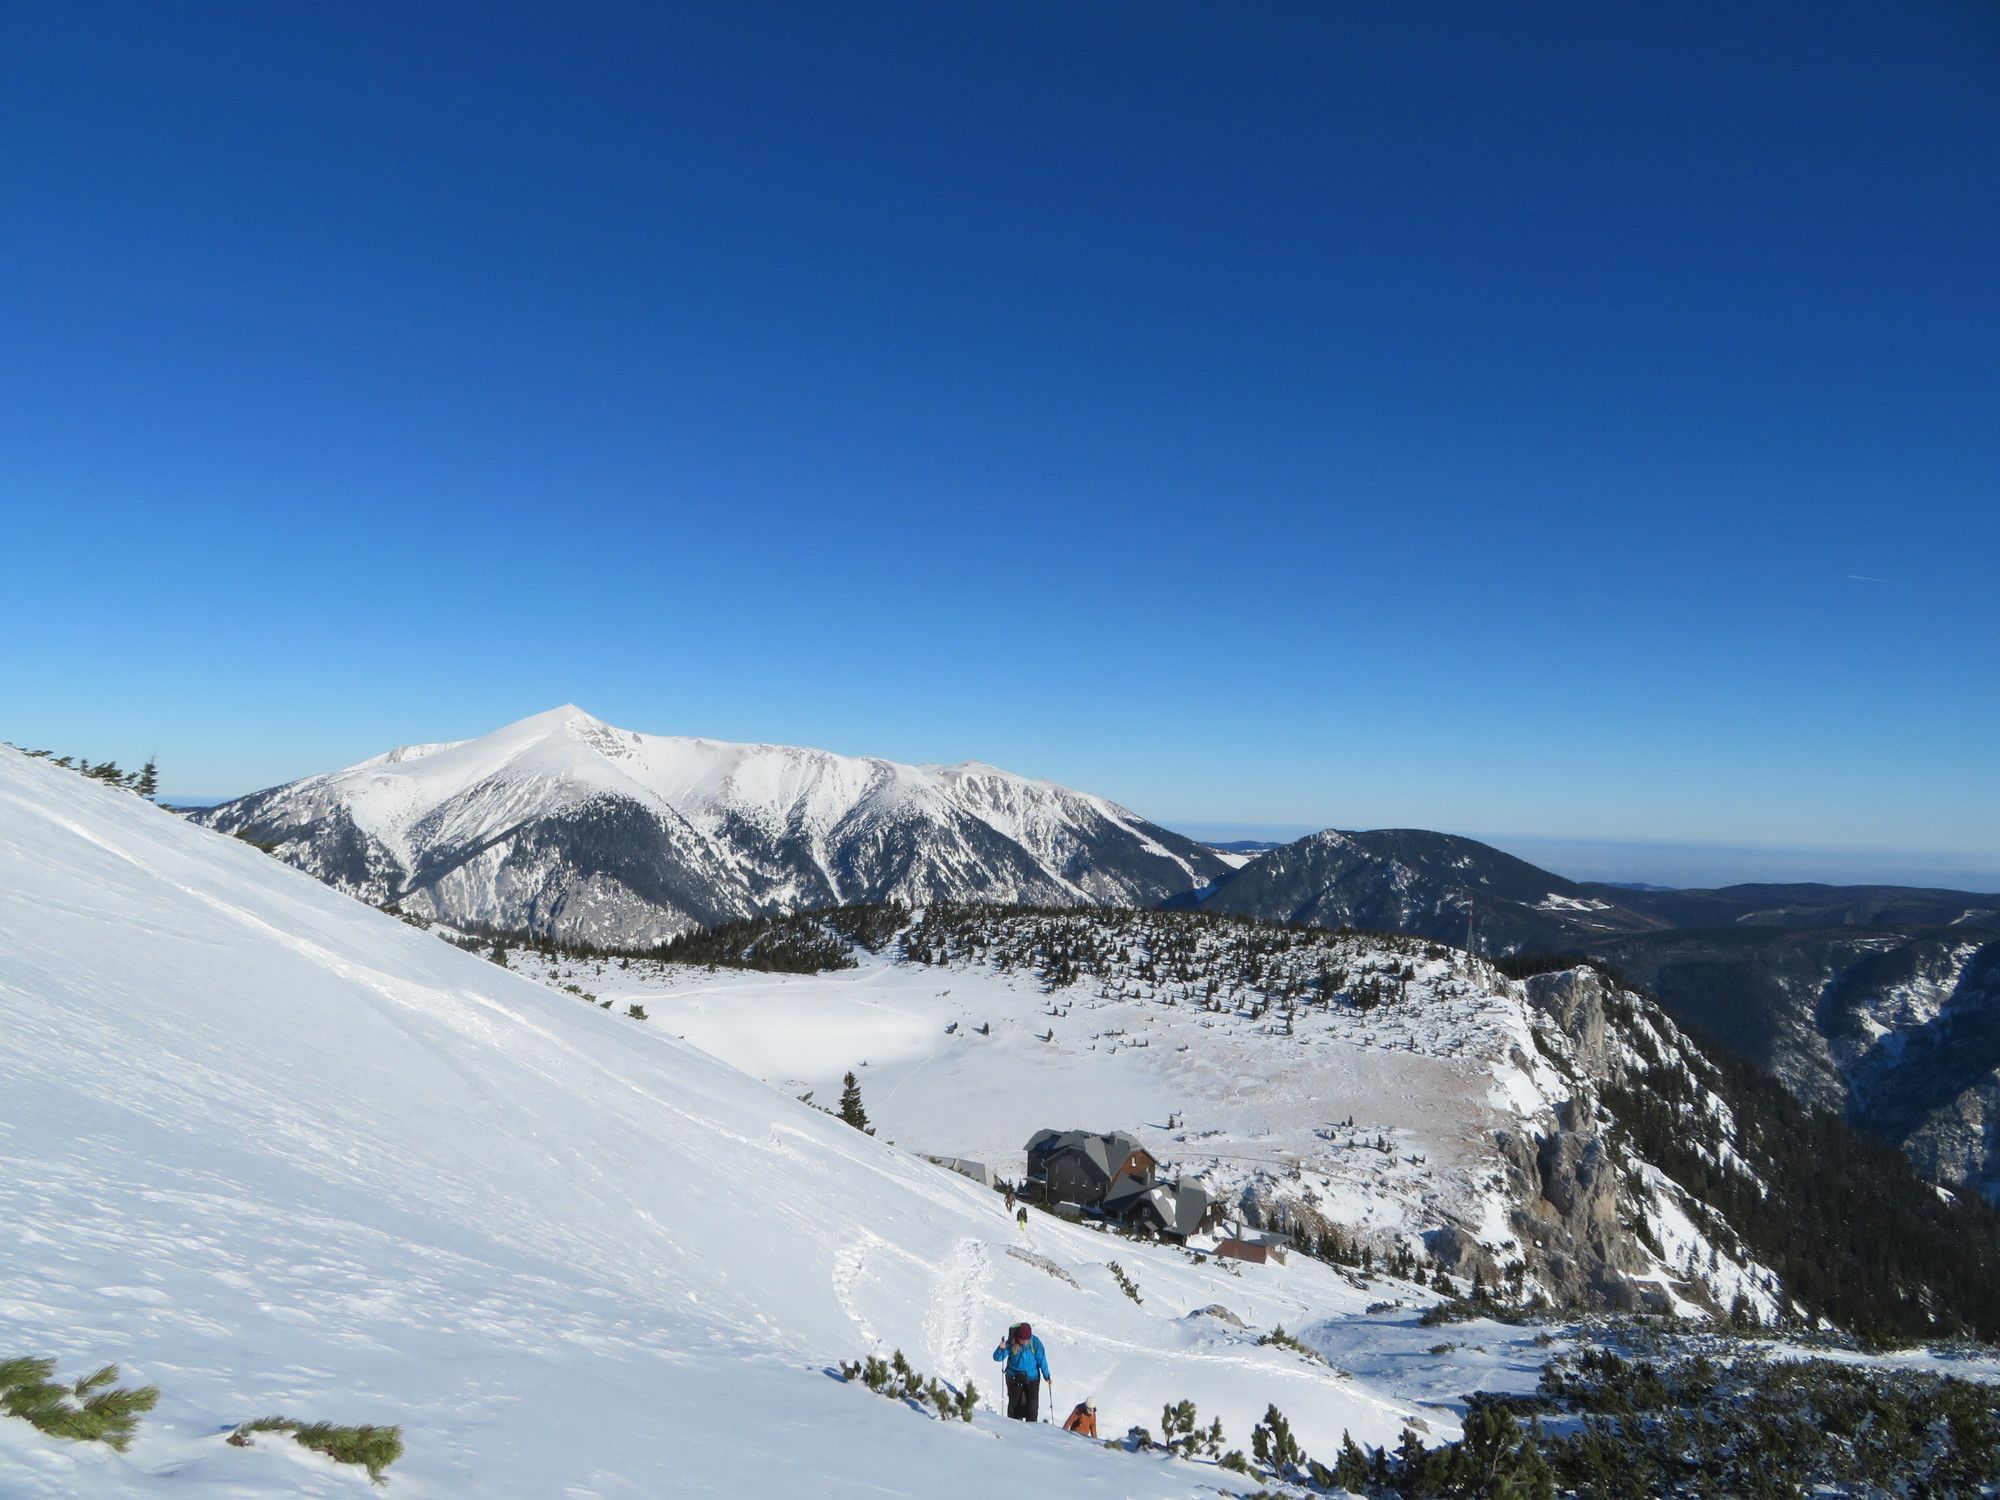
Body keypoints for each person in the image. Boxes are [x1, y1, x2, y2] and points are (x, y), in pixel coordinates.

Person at [992, 1321, 1050, 1421]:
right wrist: (1000, 1348)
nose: (1025, 1342)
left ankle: (1032, 1426)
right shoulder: (1012, 1342)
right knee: (1014, 1404)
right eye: (1022, 1340)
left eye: (1027, 1340)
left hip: (1032, 1378)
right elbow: (997, 1358)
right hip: (1014, 1377)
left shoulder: (1035, 1343)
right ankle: (1013, 1425)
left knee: (1032, 1406)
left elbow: (1042, 1359)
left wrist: (1047, 1375)